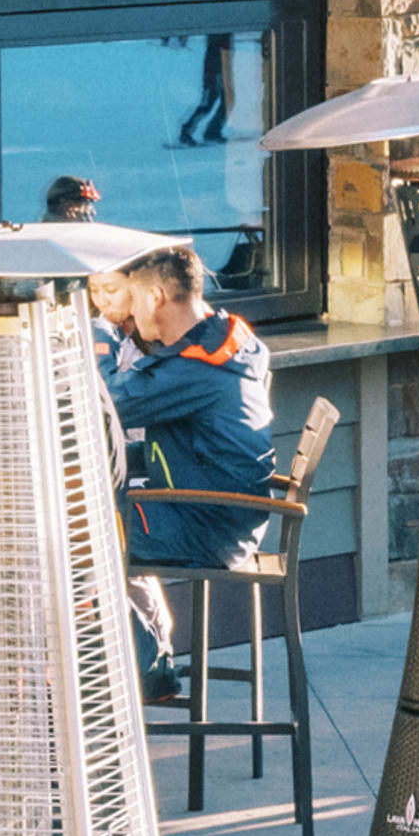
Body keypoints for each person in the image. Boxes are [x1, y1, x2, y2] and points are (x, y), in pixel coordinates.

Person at [111, 243, 275, 663]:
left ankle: (146, 665)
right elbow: (188, 447)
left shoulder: (195, 367)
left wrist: (98, 340)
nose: (127, 309)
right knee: (94, 513)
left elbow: (106, 402)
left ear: (155, 297)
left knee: (78, 532)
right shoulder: (221, 339)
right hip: (218, 511)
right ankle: (141, 661)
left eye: (130, 297)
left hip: (208, 525)